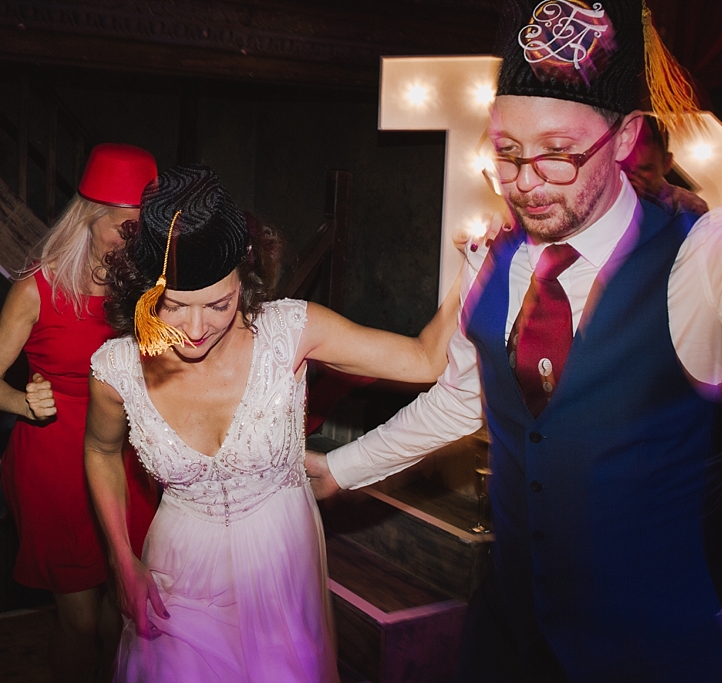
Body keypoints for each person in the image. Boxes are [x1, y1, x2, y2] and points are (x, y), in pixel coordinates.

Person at [307, 1, 722, 681]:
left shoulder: (701, 257)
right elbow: (464, 397)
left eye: (557, 155)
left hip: (650, 653)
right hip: (507, 641)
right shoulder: (490, 259)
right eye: (506, 153)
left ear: (625, 137)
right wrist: (343, 468)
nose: (525, 183)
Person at [84, 163, 461, 683]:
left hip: (281, 560)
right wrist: (121, 558)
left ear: (243, 277)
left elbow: (425, 359)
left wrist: (481, 262)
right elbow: (101, 451)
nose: (195, 328)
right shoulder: (116, 370)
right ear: (146, 294)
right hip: (178, 566)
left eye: (219, 303)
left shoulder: (291, 331)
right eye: (173, 307)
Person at [0, 143, 161, 681]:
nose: (133, 241)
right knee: (78, 621)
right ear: (89, 218)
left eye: (142, 230)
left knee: (126, 609)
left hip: (127, 458)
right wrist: (21, 401)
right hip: (58, 462)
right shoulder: (37, 287)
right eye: (124, 228)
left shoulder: (146, 287)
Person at [621, 113, 709, 215]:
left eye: (645, 169)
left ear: (667, 163)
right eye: (625, 167)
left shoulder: (690, 206)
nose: (632, 177)